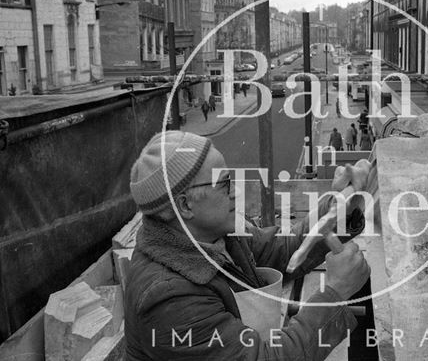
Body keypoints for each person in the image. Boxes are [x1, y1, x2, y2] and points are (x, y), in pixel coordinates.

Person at [125, 131, 370, 360]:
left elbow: (281, 251)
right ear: (185, 206)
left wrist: (341, 207)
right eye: (225, 184)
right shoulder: (169, 299)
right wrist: (335, 293)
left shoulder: (215, 235)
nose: (236, 191)